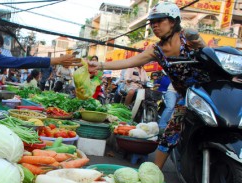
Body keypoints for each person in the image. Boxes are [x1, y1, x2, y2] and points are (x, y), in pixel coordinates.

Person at [88, 2, 210, 169]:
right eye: (152, 22)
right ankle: (154, 171)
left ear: (173, 21)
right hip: (188, 97)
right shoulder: (156, 50)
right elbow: (128, 61)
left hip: (209, 90)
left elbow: (211, 57)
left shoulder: (188, 36)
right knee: (171, 131)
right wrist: (99, 65)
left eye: (159, 21)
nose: (155, 26)